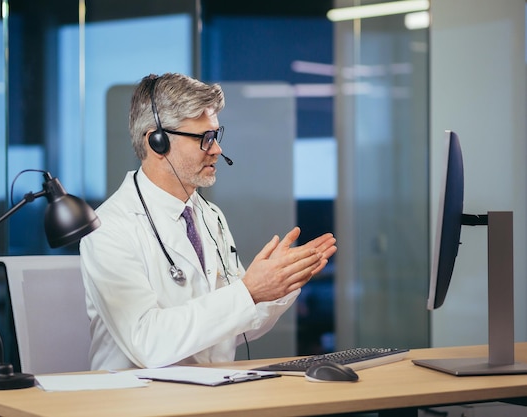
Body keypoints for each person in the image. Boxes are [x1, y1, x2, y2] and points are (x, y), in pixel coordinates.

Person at [80, 72, 337, 370]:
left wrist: (282, 284)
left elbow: (235, 326)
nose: (217, 149)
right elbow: (146, 342)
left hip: (210, 395)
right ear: (157, 142)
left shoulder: (209, 215)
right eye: (204, 138)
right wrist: (249, 291)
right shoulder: (109, 228)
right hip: (135, 403)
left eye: (216, 135)